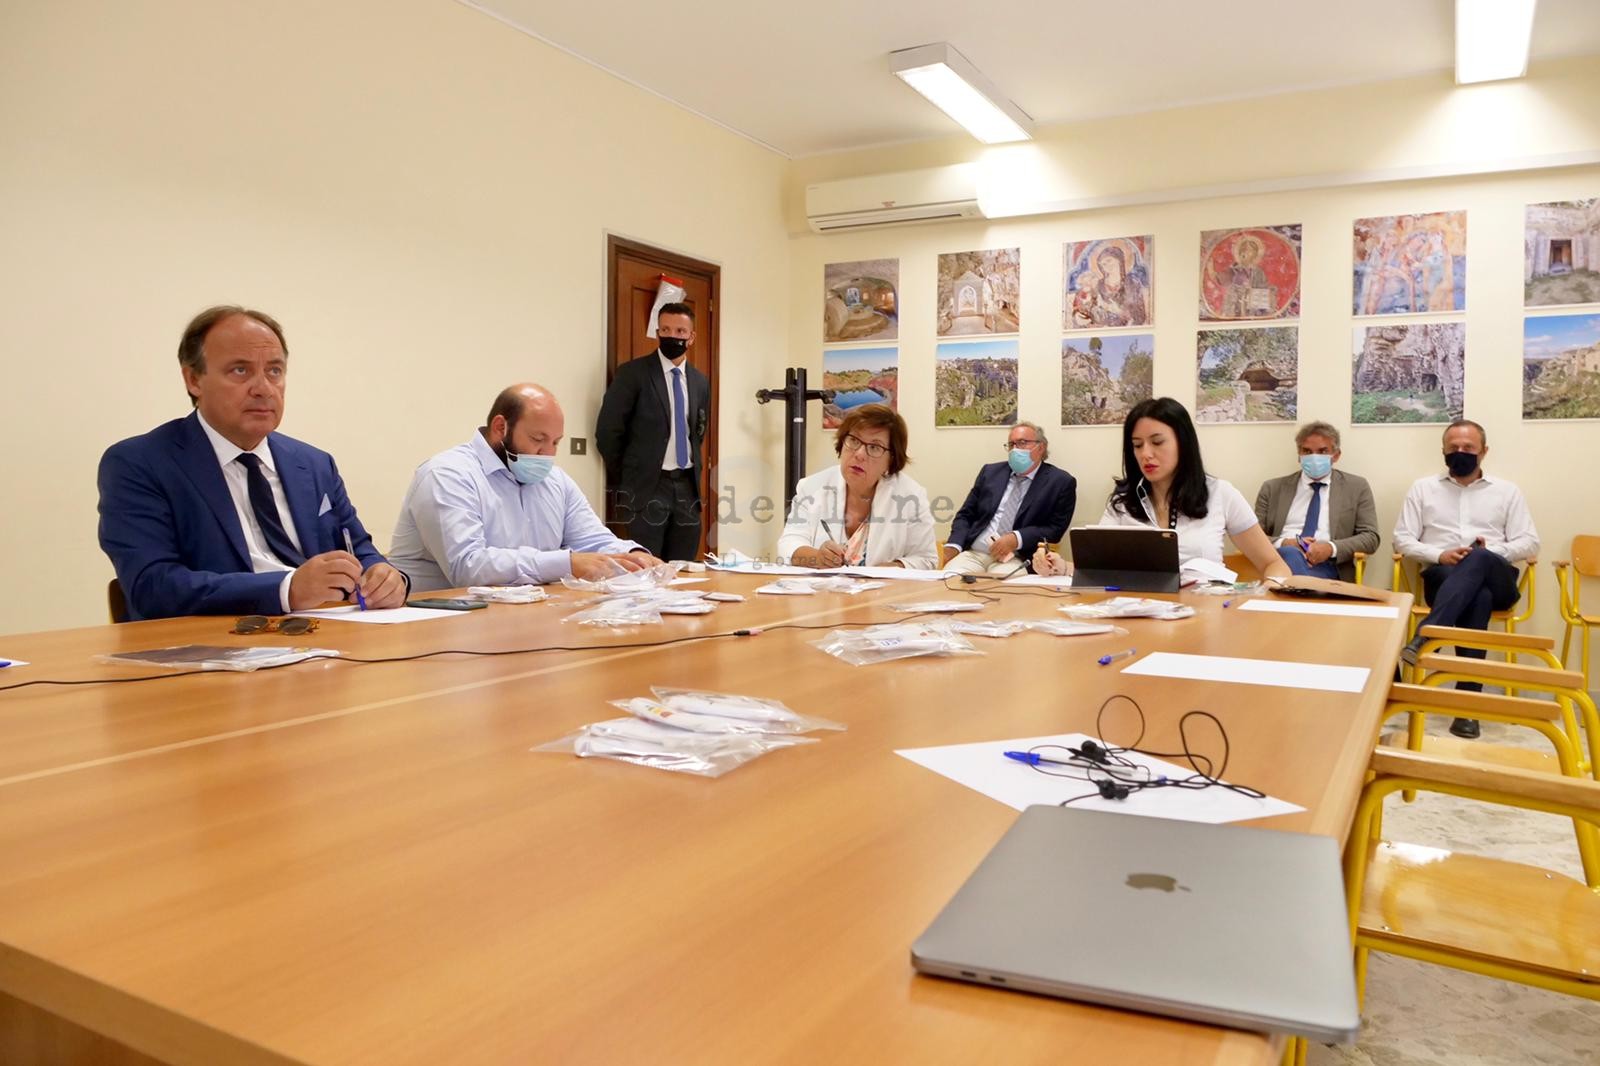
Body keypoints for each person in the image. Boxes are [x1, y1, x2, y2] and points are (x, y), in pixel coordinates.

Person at [98, 306, 407, 621]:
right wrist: (285, 590)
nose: (263, 389)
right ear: (193, 379)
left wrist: (384, 577)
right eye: (240, 370)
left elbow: (358, 548)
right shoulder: (140, 463)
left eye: (274, 371)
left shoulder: (314, 464)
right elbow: (152, 587)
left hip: (327, 634)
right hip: (219, 641)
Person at [389, 384, 663, 591]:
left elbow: (592, 540)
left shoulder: (556, 481)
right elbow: (467, 566)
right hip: (434, 621)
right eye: (538, 439)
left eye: (555, 442)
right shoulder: (447, 475)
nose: (548, 453)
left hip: (517, 616)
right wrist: (566, 563)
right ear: (500, 427)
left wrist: (632, 557)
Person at [1033, 397, 1290, 581]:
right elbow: (1099, 570)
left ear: (1183, 443)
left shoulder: (1220, 494)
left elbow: (1273, 564)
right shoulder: (1123, 502)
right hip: (1137, 615)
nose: (1146, 454)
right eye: (1137, 445)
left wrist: (1268, 591)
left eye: (1157, 442)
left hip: (1205, 618)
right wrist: (1060, 567)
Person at [1395, 419, 1539, 739]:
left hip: (1499, 578)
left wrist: (1491, 552)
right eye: (1454, 447)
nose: (1460, 452)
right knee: (1478, 597)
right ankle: (1467, 708)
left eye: (1468, 447)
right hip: (1442, 576)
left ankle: (1427, 635)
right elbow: (1401, 540)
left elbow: (1530, 542)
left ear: (1484, 452)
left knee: (1481, 558)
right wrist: (1440, 555)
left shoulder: (1507, 491)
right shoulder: (1422, 489)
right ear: (1443, 451)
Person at [595, 302, 711, 562]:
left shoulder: (699, 382)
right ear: (657, 332)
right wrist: (630, 474)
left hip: (687, 488)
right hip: (647, 489)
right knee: (645, 567)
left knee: (683, 568)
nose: (672, 336)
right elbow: (608, 432)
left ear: (691, 337)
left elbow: (698, 432)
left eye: (680, 331)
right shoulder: (633, 374)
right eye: (666, 329)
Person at [777, 404, 936, 569]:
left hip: (883, 586)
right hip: (822, 585)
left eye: (874, 447)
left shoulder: (911, 496)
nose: (859, 454)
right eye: (854, 440)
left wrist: (893, 568)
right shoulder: (811, 487)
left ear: (891, 460)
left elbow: (927, 559)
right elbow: (789, 544)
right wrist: (817, 558)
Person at [944, 422, 1076, 576]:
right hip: (975, 553)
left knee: (1005, 585)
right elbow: (965, 515)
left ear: (1041, 447)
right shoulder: (990, 472)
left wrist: (1017, 538)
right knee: (950, 579)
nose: (1015, 449)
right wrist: (954, 544)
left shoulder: (1060, 482)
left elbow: (1055, 529)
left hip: (1016, 558)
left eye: (1022, 443)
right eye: (1011, 444)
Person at [1254, 421, 1379, 582]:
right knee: (1291, 554)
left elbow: (1370, 538)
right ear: (1299, 455)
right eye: (1307, 451)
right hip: (1280, 560)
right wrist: (1285, 543)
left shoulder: (1356, 487)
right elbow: (1253, 537)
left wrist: (1330, 548)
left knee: (1287, 576)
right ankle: (1302, 589)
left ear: (1336, 455)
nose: (1314, 457)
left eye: (1322, 451)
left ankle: (1295, 589)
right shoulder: (1272, 488)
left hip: (1329, 565)